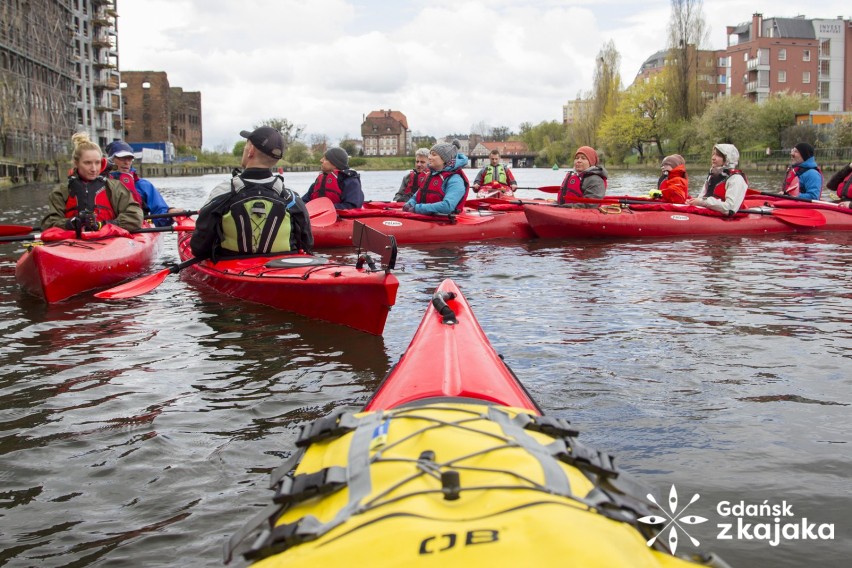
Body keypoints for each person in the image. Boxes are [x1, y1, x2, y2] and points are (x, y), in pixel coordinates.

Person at [190, 126, 312, 260]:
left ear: (251, 151)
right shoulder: (292, 198)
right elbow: (307, 244)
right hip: (282, 267)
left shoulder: (222, 193)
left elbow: (199, 248)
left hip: (231, 265)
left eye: (246, 146)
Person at [42, 132, 143, 232]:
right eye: (87, 163)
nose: (94, 169)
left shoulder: (115, 188)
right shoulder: (61, 191)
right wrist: (71, 223)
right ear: (76, 163)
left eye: (97, 163)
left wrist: (103, 224)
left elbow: (135, 217)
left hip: (108, 238)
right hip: (72, 240)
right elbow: (49, 222)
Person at [105, 140, 181, 227]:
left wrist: (169, 212)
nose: (127, 162)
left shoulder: (143, 185)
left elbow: (159, 212)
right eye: (122, 158)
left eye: (129, 158)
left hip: (137, 228)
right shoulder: (100, 183)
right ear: (110, 160)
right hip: (108, 228)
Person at [403, 141, 470, 215]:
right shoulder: (429, 175)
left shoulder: (455, 180)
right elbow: (416, 196)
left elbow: (447, 206)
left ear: (445, 159)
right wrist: (409, 204)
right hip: (424, 216)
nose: (429, 157)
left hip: (445, 220)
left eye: (434, 155)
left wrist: (417, 208)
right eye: (430, 154)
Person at [686, 143, 747, 215]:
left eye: (718, 155)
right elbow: (702, 197)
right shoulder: (713, 175)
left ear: (728, 159)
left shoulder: (736, 179)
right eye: (713, 154)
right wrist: (695, 202)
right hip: (709, 212)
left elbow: (730, 208)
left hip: (727, 216)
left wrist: (702, 202)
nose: (713, 158)